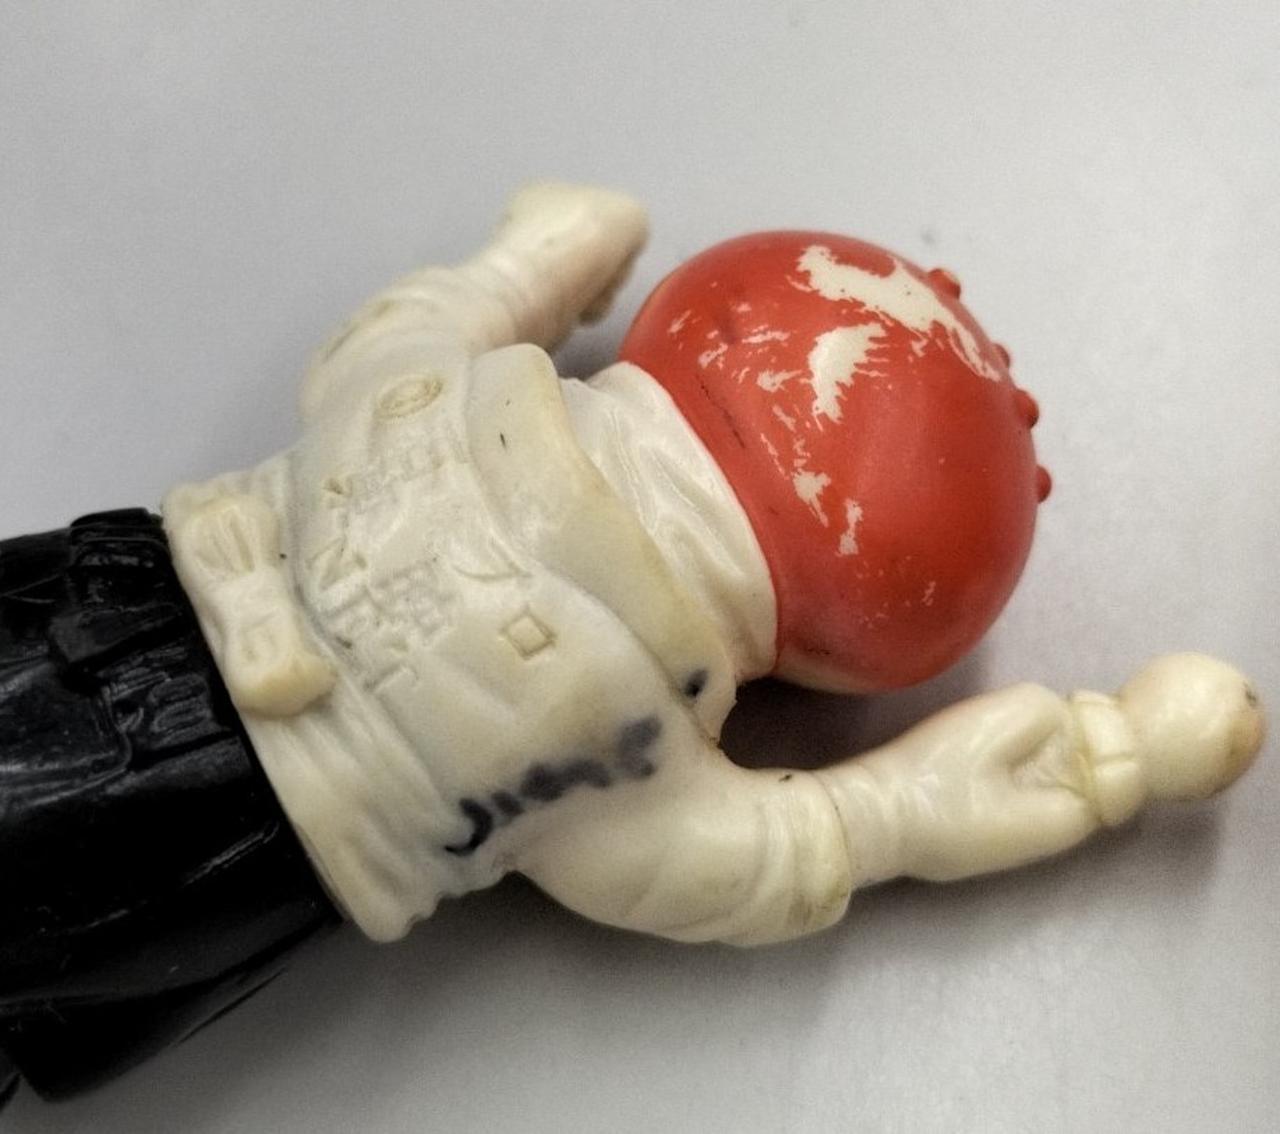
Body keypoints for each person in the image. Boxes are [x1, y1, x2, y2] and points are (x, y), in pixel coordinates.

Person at [0, 183, 1264, 1107]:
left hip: (139, 685)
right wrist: (1094, 759)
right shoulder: (624, 751)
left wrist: (540, 257)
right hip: (207, 842)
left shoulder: (416, 399)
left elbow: (397, 325)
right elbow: (797, 850)